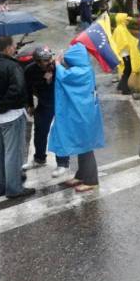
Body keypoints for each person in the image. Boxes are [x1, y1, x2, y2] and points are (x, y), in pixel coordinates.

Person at [48, 43, 105, 192]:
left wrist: (58, 63)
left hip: (83, 115)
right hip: (85, 114)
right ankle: (81, 175)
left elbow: (65, 76)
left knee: (86, 147)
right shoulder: (85, 69)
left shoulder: (80, 72)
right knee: (83, 145)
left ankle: (91, 180)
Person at [0, 36, 34, 199]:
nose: (14, 49)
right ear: (6, 48)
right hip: (11, 115)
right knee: (12, 153)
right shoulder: (12, 66)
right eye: (13, 46)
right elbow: (17, 90)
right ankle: (14, 188)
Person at [23, 47, 70, 177]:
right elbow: (27, 88)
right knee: (40, 132)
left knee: (60, 132)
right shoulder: (30, 70)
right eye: (45, 60)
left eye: (50, 58)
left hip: (60, 104)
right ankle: (39, 158)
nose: (49, 61)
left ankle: (63, 163)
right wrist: (30, 105)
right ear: (37, 62)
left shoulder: (57, 67)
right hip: (44, 104)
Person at [113, 13, 140, 95]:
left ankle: (121, 86)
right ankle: (125, 89)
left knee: (127, 70)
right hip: (124, 54)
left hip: (124, 54)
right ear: (122, 20)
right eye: (126, 20)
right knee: (128, 70)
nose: (128, 21)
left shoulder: (120, 28)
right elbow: (124, 43)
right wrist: (131, 45)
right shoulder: (120, 29)